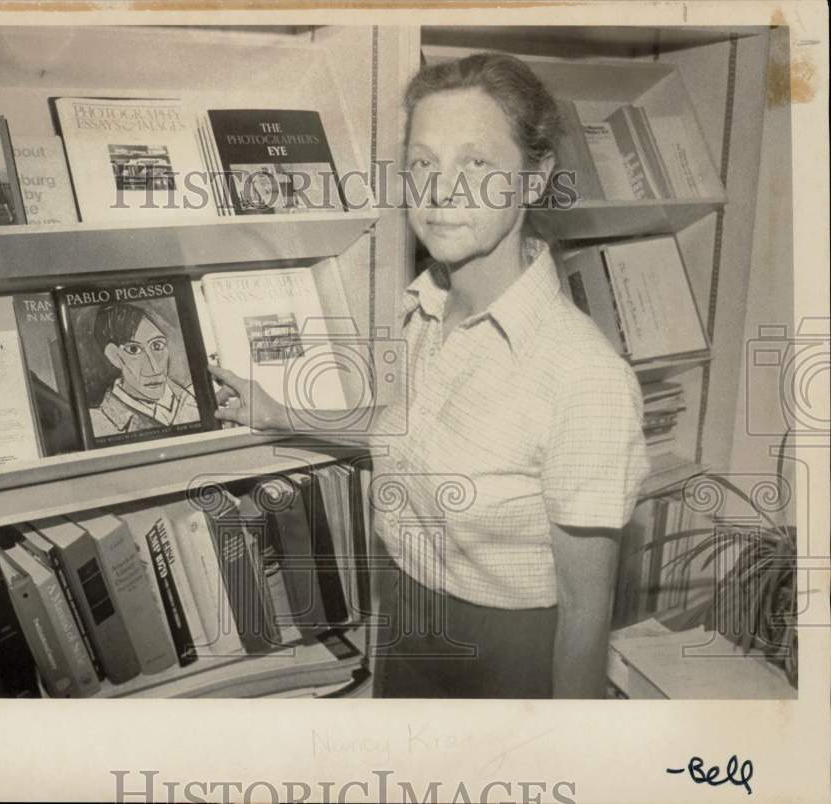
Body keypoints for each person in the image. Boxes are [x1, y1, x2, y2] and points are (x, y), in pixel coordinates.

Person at [208, 52, 649, 699]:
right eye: (423, 163)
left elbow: (585, 617)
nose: (440, 191)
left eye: (475, 164)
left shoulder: (585, 379)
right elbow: (401, 431)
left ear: (533, 178)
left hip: (509, 661)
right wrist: (279, 412)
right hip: (405, 625)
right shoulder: (423, 309)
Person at [88, 302, 199, 437]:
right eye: (133, 349)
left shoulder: (193, 399)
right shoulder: (97, 423)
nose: (155, 367)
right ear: (114, 356)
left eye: (157, 345)